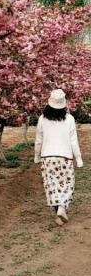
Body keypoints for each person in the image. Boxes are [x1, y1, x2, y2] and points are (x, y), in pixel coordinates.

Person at [34, 89, 83, 226]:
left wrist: (36, 157)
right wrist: (78, 159)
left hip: (47, 157)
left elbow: (38, 140)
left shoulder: (42, 119)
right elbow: (73, 141)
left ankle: (59, 212)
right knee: (68, 185)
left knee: (52, 185)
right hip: (65, 157)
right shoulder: (70, 119)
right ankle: (62, 208)